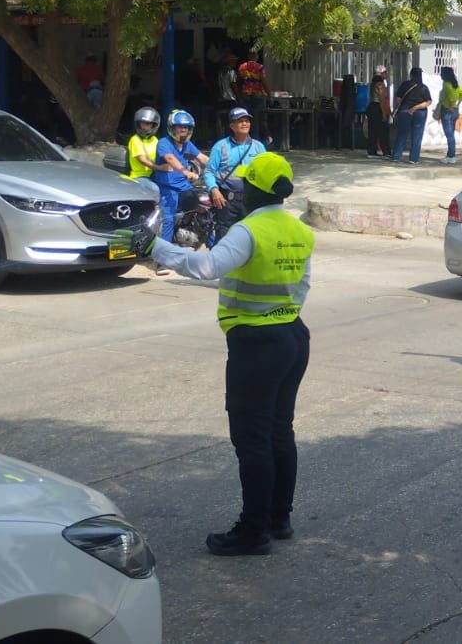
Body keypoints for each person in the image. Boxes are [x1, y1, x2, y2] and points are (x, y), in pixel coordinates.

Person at [113, 152, 313, 557]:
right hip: (293, 336)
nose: (237, 196)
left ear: (255, 191)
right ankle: (279, 518)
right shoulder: (299, 231)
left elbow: (206, 267)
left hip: (256, 344)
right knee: (279, 431)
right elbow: (301, 285)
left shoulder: (249, 230)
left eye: (243, 189)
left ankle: (253, 531)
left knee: (252, 439)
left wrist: (156, 247)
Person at [206, 107, 268, 241]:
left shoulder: (258, 147)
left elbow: (266, 172)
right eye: (240, 121)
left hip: (251, 201)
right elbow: (209, 172)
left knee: (252, 238)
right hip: (227, 202)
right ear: (232, 126)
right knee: (224, 239)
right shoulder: (220, 146)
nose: (244, 124)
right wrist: (214, 190)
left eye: (247, 121)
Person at [153, 109, 208, 242]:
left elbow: (201, 157)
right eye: (180, 126)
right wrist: (185, 171)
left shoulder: (187, 144)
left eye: (186, 127)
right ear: (172, 128)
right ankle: (164, 254)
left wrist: (219, 166)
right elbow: (170, 159)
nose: (183, 130)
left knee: (204, 208)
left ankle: (201, 241)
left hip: (184, 186)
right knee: (169, 219)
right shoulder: (164, 143)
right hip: (167, 187)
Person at [390, 68, 431, 164]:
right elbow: (428, 102)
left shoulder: (405, 85)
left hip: (405, 111)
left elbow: (398, 98)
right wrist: (416, 107)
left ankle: (396, 156)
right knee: (417, 136)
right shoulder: (423, 88)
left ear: (411, 75)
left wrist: (406, 104)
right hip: (420, 113)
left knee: (402, 134)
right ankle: (413, 158)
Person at [124, 106, 162, 196]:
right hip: (139, 176)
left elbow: (163, 155)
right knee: (155, 189)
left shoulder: (155, 140)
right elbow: (142, 159)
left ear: (153, 125)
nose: (145, 126)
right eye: (143, 123)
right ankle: (157, 210)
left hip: (154, 174)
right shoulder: (135, 139)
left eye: (148, 124)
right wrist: (160, 168)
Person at [436, 66, 462, 164]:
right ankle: (450, 155)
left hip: (448, 111)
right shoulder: (455, 85)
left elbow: (451, 96)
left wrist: (451, 105)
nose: (440, 75)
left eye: (441, 73)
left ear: (445, 75)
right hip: (454, 112)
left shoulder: (446, 84)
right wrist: (457, 104)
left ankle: (452, 156)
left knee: (449, 135)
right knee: (451, 134)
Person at [366, 65, 391, 158]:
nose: (386, 74)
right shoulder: (380, 84)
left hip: (372, 107)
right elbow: (382, 99)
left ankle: (371, 151)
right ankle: (386, 151)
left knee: (372, 130)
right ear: (381, 73)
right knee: (383, 130)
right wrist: (384, 113)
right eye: (385, 72)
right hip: (377, 108)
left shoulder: (373, 83)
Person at [336, 73, 359, 150]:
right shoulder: (351, 88)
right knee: (349, 126)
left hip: (344, 109)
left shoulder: (344, 88)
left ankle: (340, 145)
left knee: (341, 126)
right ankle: (350, 146)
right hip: (349, 109)